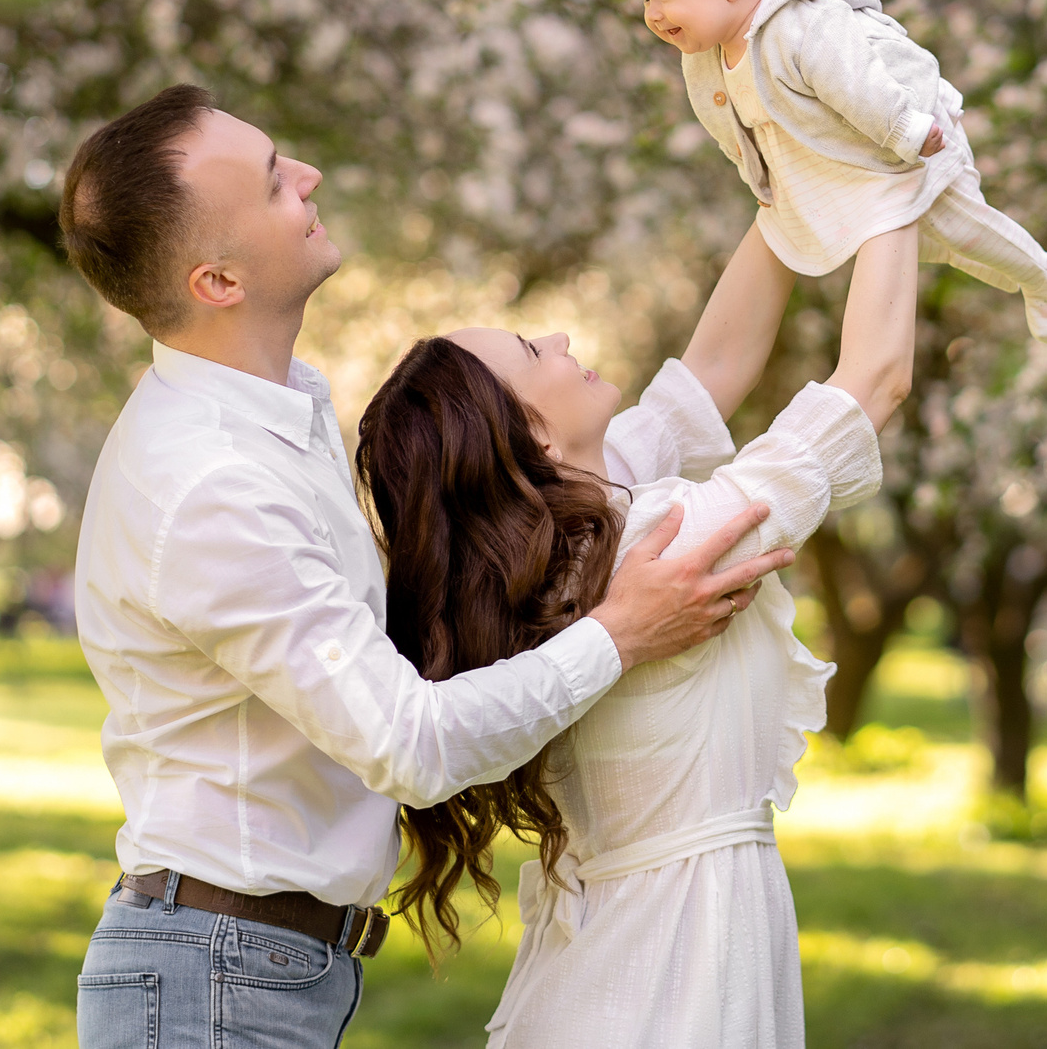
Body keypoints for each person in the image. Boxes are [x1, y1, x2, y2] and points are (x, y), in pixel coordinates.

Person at [60, 85, 797, 1049]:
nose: (310, 177)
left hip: (247, 969)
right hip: (213, 982)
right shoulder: (211, 484)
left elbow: (675, 412)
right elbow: (409, 743)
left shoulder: (277, 410)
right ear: (218, 281)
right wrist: (619, 632)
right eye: (277, 181)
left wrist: (795, 184)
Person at [354, 219, 918, 1048]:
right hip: (677, 955)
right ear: (537, 436)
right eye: (530, 349)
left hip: (619, 949)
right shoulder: (663, 540)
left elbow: (713, 368)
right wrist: (889, 187)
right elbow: (877, 380)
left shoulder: (565, 549)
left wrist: (788, 186)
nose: (559, 336)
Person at [623, 0, 1047, 349]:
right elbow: (739, 128)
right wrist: (762, 180)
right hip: (846, 158)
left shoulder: (800, 27)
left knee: (959, 226)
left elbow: (857, 82)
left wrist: (905, 127)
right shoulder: (706, 59)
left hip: (901, 133)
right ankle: (1018, 270)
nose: (653, 13)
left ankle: (1042, 274)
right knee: (935, 244)